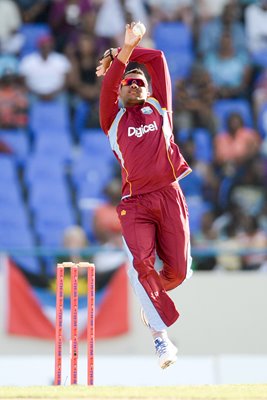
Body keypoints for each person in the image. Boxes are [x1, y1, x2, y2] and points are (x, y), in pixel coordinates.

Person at [96, 22, 193, 369]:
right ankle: (161, 339)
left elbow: (157, 57)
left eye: (141, 83)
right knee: (141, 266)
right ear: (120, 90)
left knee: (178, 273)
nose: (135, 85)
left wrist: (121, 53)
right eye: (128, 82)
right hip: (135, 204)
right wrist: (118, 58)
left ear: (149, 90)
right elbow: (109, 84)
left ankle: (148, 299)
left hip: (169, 195)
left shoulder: (161, 109)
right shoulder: (113, 119)